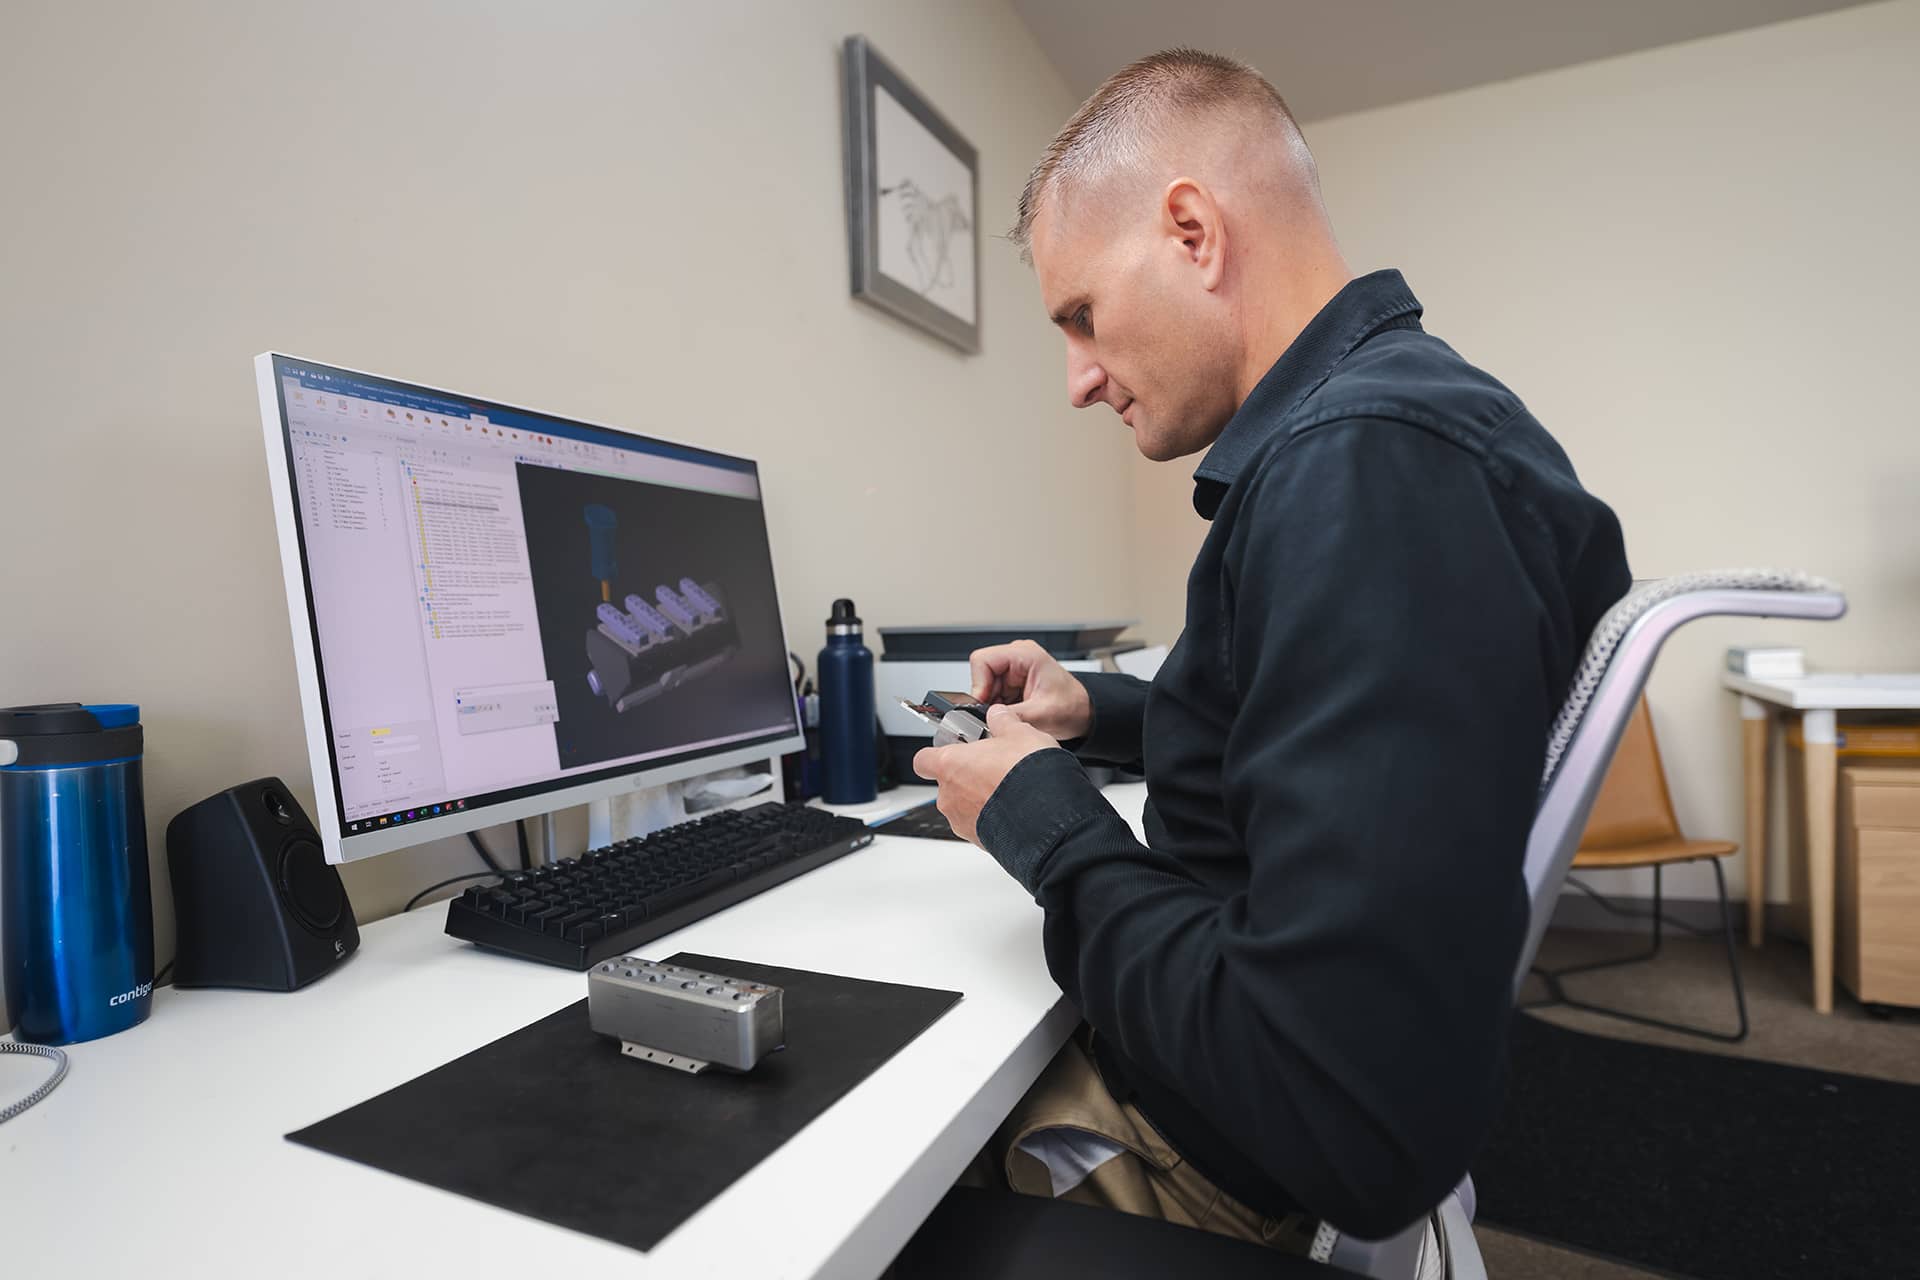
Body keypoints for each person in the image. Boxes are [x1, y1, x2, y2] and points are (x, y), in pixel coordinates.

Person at [911, 48, 1632, 1257]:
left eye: (1081, 315)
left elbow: (1342, 1100)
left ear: (1192, 230)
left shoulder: (1372, 464)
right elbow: (1309, 712)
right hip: (1208, 1107)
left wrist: (1043, 827)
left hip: (1195, 1164)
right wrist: (1098, 706)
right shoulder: (1385, 433)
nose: (1078, 380)